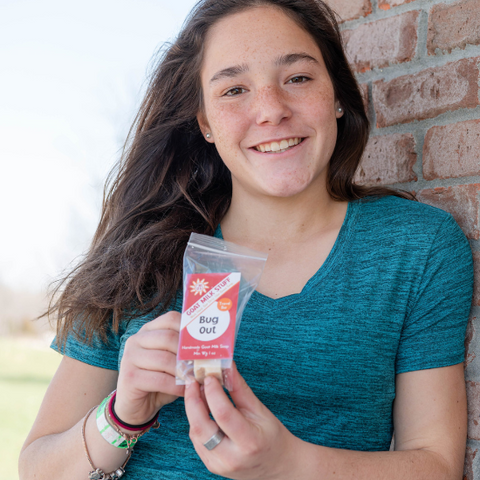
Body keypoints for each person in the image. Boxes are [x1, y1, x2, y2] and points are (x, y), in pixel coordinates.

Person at [19, 0, 474, 478]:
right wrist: (122, 414)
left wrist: (289, 462)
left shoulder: (416, 248)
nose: (271, 110)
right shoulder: (142, 252)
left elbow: (436, 465)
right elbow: (36, 469)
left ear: (337, 94)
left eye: (297, 78)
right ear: (205, 123)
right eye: (234, 89)